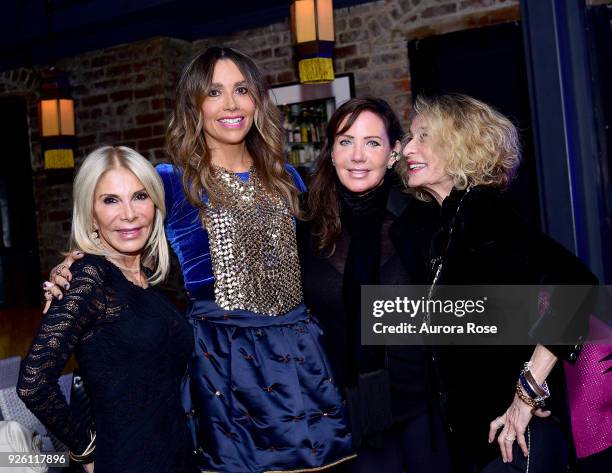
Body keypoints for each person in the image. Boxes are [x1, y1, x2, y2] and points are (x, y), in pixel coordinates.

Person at [44, 47, 354, 473]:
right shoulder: (172, 181)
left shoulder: (286, 176)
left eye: (241, 90)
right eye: (214, 92)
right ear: (194, 105)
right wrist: (73, 265)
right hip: (224, 367)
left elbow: (314, 260)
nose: (231, 104)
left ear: (257, 100)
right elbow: (124, 229)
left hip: (300, 359)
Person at [397, 93, 598, 472]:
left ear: (460, 145)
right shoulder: (450, 225)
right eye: (410, 136)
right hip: (479, 441)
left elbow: (576, 284)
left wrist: (527, 395)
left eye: (423, 136)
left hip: (509, 443)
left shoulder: (482, 212)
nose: (409, 147)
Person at [18, 146, 197, 473]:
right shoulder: (90, 276)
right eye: (110, 200)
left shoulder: (150, 279)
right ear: (90, 213)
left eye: (140, 196)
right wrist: (84, 450)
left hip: (176, 453)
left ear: (155, 206)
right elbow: (33, 383)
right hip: (127, 461)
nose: (128, 213)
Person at [299, 97, 452, 473]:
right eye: (346, 141)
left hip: (421, 412)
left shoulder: (422, 219)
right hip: (338, 418)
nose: (357, 156)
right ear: (331, 150)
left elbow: (467, 309)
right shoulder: (304, 225)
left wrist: (524, 384)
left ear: (393, 152)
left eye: (372, 143)